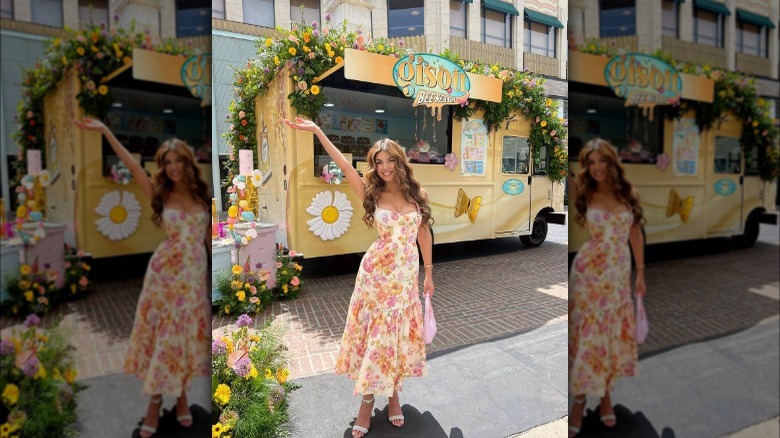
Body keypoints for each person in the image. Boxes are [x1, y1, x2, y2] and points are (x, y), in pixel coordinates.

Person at [284, 117, 435, 437]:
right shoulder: (372, 191)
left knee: (394, 340)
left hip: (405, 278)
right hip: (376, 278)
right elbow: (343, 162)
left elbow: (424, 234)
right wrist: (317, 132)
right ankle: (366, 403)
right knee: (377, 341)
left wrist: (429, 274)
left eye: (389, 160)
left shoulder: (416, 192)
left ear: (399, 161)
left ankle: (394, 396)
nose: (384, 167)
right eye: (378, 162)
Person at [72, 117, 211, 437]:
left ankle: (183, 398)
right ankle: (155, 403)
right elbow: (133, 165)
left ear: (187, 163)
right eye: (167, 162)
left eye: (178, 160)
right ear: (162, 165)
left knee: (184, 341)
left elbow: (206, 240)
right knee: (165, 340)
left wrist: (207, 288)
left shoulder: (202, 196)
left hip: (191, 279)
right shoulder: (159, 193)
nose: (173, 166)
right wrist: (107, 131)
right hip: (164, 278)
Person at [567, 138, 646, 437]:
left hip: (617, 276)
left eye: (602, 160)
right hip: (589, 275)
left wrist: (641, 273)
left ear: (611, 162)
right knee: (590, 338)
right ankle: (579, 400)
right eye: (591, 161)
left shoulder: (628, 194)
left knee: (609, 338)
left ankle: (606, 396)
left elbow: (635, 233)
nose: (597, 167)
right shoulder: (584, 191)